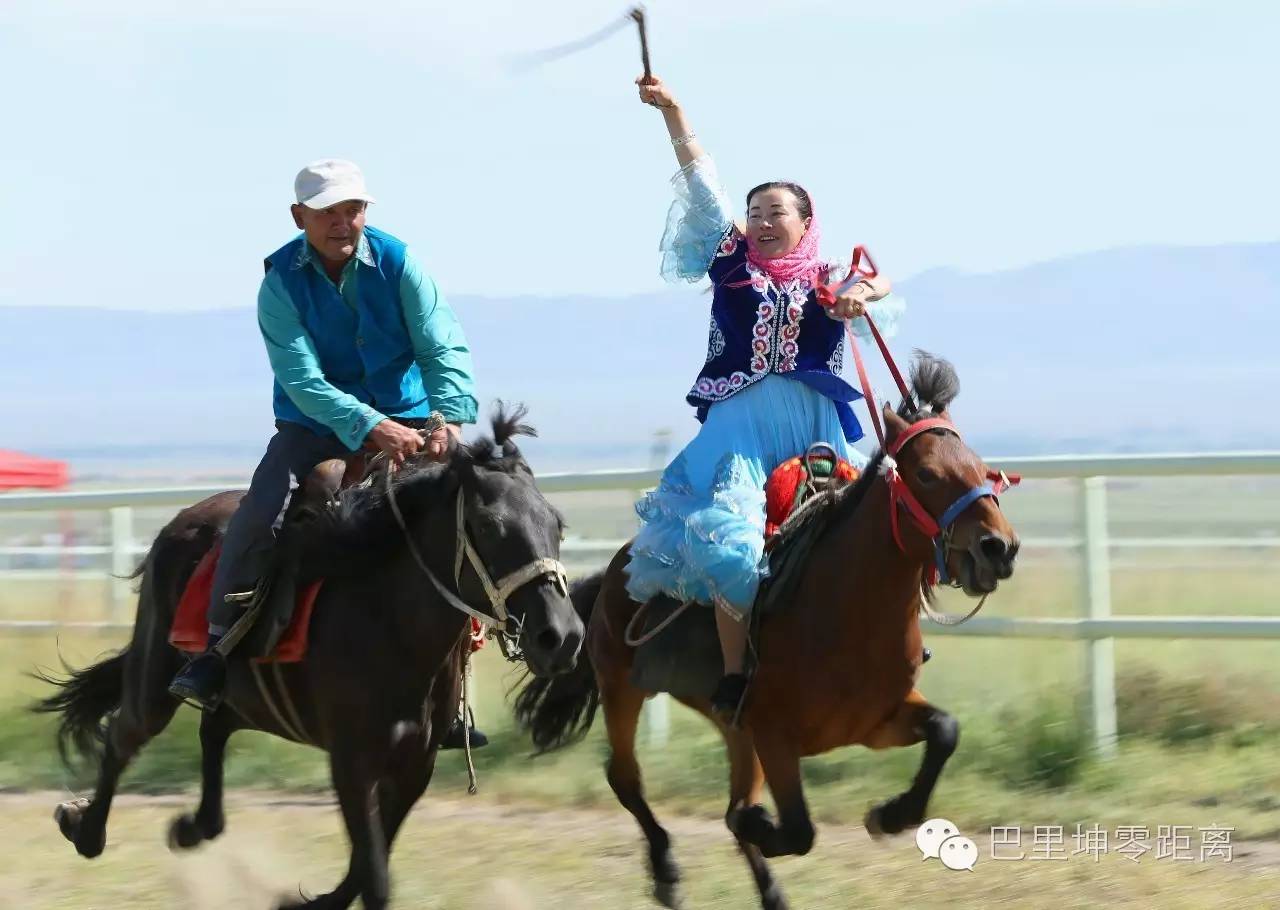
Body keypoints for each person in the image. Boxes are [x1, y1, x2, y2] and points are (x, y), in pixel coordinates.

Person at [169, 159, 489, 748]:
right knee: (262, 510)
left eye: (354, 210)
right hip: (313, 425)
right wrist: (371, 426)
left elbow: (442, 344)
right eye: (328, 213)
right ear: (300, 217)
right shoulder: (279, 284)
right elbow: (301, 380)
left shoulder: (401, 264)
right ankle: (218, 649)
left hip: (416, 420)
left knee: (466, 514)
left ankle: (458, 688)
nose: (344, 223)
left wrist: (445, 417)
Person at [623, 77, 906, 725]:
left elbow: (878, 278)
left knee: (886, 519)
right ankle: (732, 674)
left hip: (815, 429)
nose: (761, 222)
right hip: (739, 430)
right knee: (732, 543)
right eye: (755, 213)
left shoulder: (832, 277)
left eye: (775, 212)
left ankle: (886, 647)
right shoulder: (729, 260)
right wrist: (675, 112)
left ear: (807, 224)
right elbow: (701, 180)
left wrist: (865, 295)